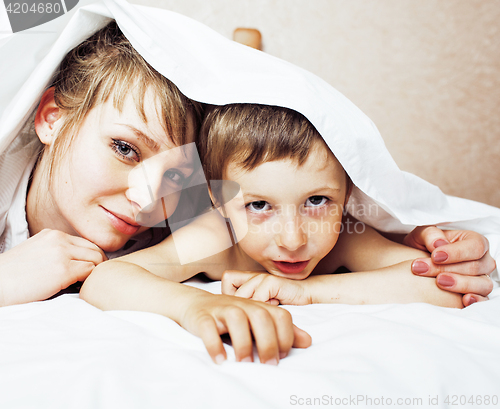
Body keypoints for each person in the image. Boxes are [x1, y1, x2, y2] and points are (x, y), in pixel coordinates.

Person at [0, 21, 493, 364]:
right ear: (51, 117)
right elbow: (119, 279)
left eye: (178, 173)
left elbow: (436, 277)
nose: (147, 198)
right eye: (126, 148)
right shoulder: (213, 227)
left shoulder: (206, 206)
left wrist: (409, 236)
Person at [81, 103, 496, 362]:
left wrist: (309, 292)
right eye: (259, 206)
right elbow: (106, 278)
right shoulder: (214, 237)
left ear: (347, 194)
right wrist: (194, 306)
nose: (294, 239)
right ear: (221, 202)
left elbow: (443, 286)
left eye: (318, 201)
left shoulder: (345, 236)